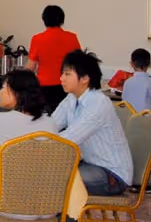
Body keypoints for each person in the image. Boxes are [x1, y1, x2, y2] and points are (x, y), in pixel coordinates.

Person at [0, 70, 58, 214]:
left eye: (3, 88)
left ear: (16, 93)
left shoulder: (2, 120)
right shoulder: (51, 123)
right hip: (47, 206)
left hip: (9, 205)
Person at [53, 51, 132, 195]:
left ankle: (63, 218)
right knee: (49, 174)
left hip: (111, 173)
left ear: (85, 79)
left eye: (67, 74)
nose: (61, 78)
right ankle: (62, 217)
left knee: (56, 179)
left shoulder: (99, 103)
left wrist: (32, 143)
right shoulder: (71, 98)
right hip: (89, 164)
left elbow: (70, 138)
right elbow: (51, 125)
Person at [26, 5, 82, 113]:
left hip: (45, 88)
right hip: (68, 86)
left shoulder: (38, 39)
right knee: (67, 117)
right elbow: (80, 63)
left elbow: (31, 66)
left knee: (47, 118)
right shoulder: (72, 37)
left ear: (44, 20)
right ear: (62, 19)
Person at [122, 48, 151, 114]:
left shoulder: (127, 82)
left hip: (129, 121)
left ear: (131, 64)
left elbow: (124, 102)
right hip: (149, 122)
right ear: (150, 64)